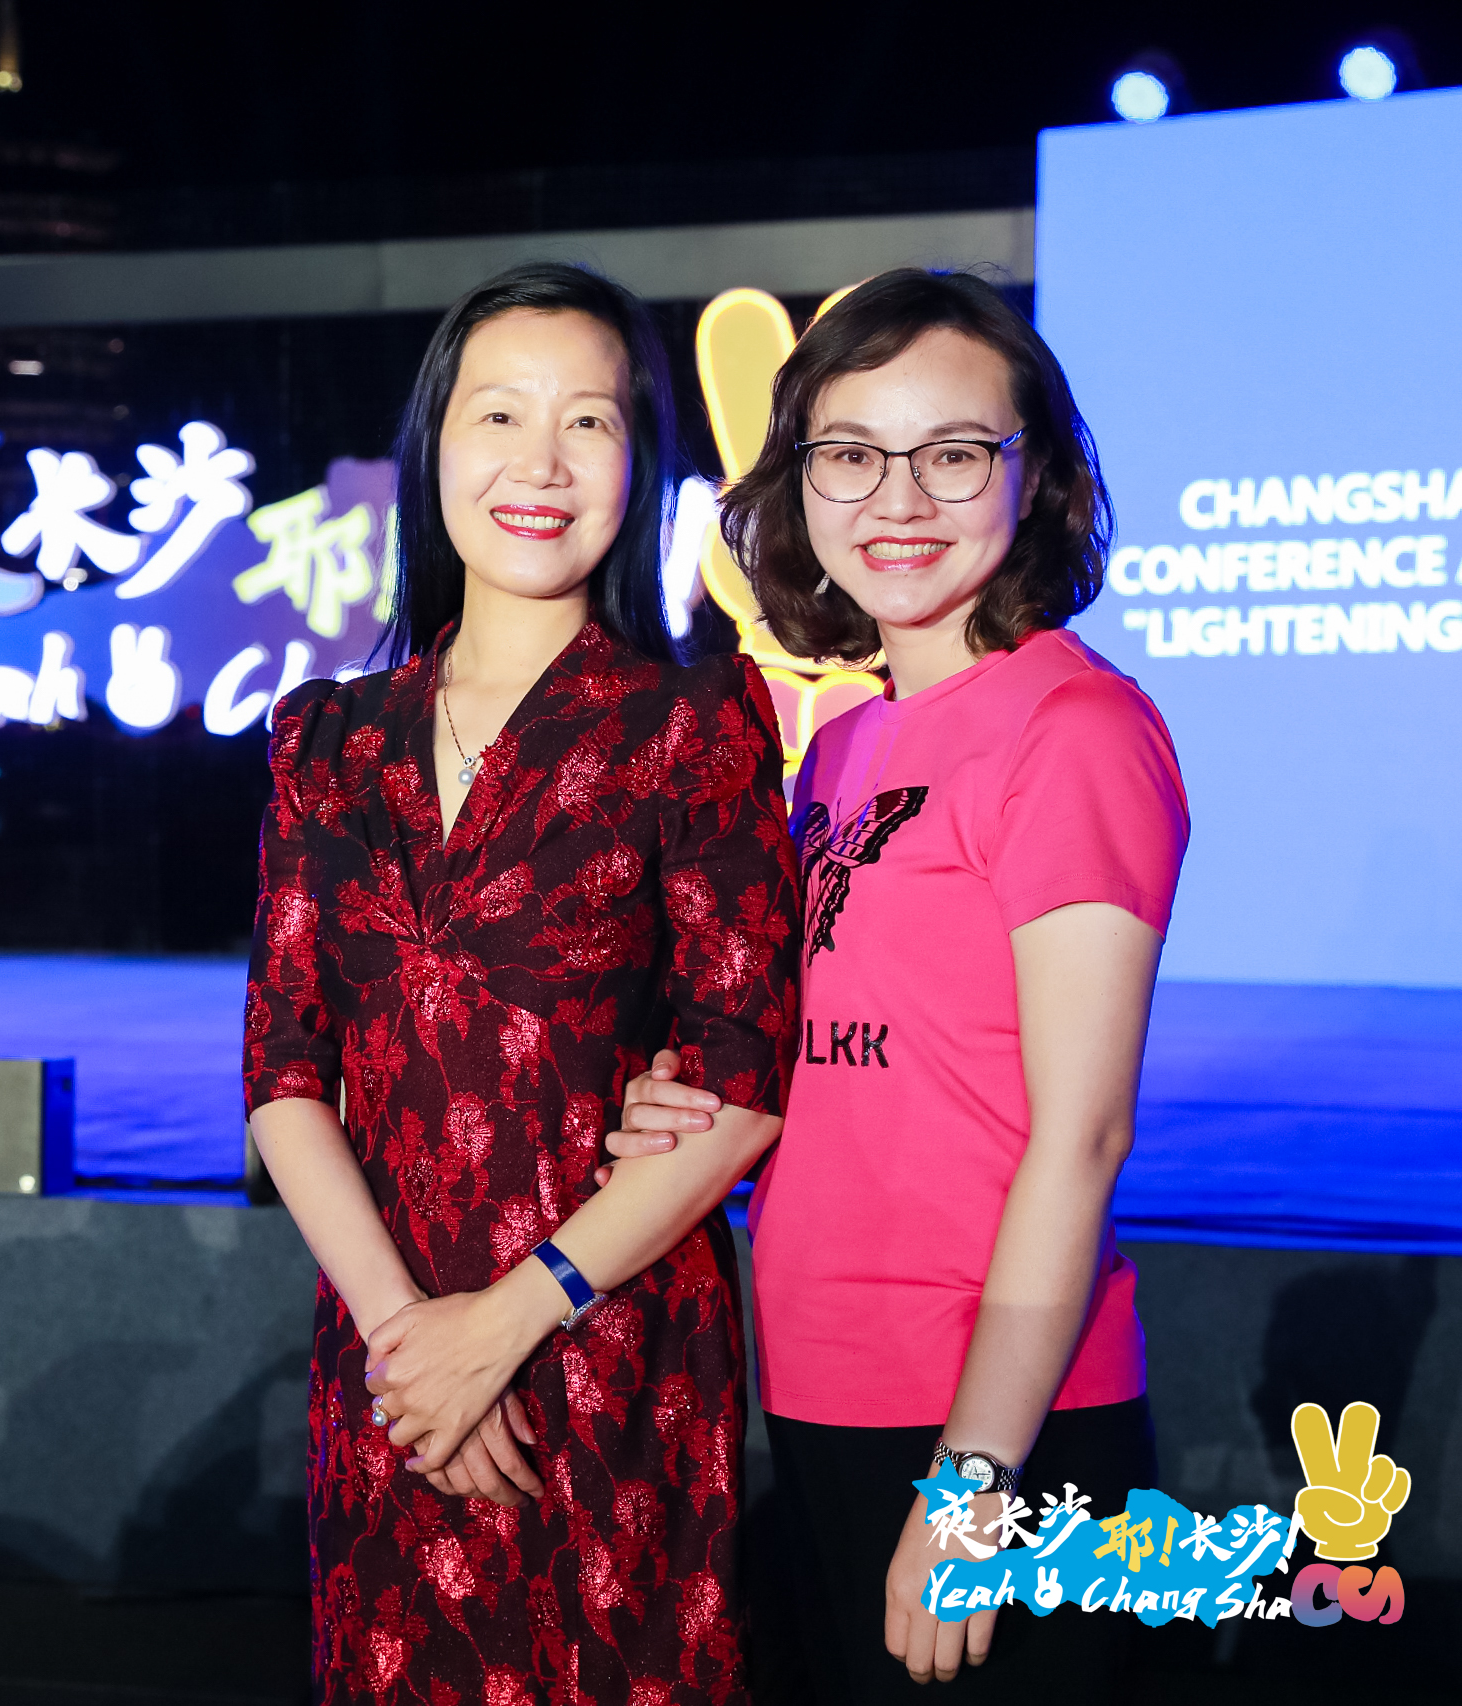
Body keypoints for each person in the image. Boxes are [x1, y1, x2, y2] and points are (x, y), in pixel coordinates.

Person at [613, 269, 1188, 1701]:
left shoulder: (1073, 728)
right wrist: (693, 1107)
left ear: (1036, 474)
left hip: (998, 1421)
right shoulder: (845, 745)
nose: (900, 499)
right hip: (823, 1376)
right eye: (852, 455)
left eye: (955, 454)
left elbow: (1083, 1135)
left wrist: (973, 1481)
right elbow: (863, 1054)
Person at [242, 260, 800, 1705]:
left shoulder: (692, 720)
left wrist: (502, 1325)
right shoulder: (328, 740)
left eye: (589, 422)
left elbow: (744, 1084)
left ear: (640, 461)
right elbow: (285, 1077)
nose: (540, 464)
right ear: (434, 444)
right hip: (392, 1369)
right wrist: (411, 1347)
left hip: (609, 1348)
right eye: (499, 415)